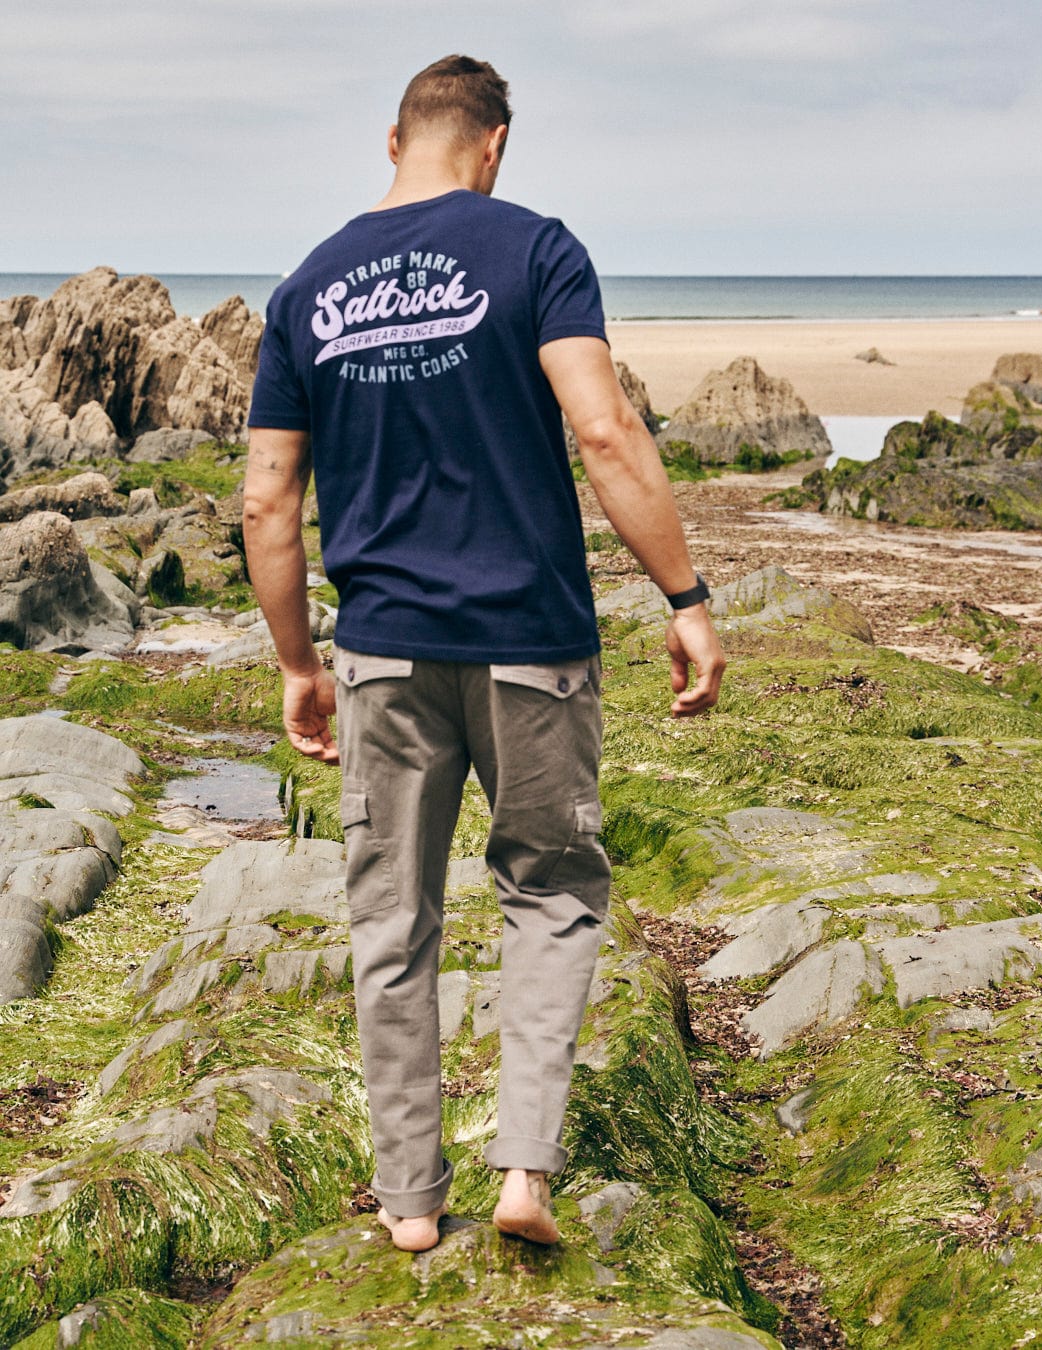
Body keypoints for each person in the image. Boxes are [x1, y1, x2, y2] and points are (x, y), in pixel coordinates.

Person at [243, 54, 725, 1255]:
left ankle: (408, 1202)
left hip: (385, 655)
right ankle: (523, 1176)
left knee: (390, 922)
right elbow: (603, 427)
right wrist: (687, 594)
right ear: (495, 144)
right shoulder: (535, 248)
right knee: (552, 896)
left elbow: (266, 501)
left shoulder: (308, 285)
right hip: (531, 646)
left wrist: (299, 663)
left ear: (391, 140)